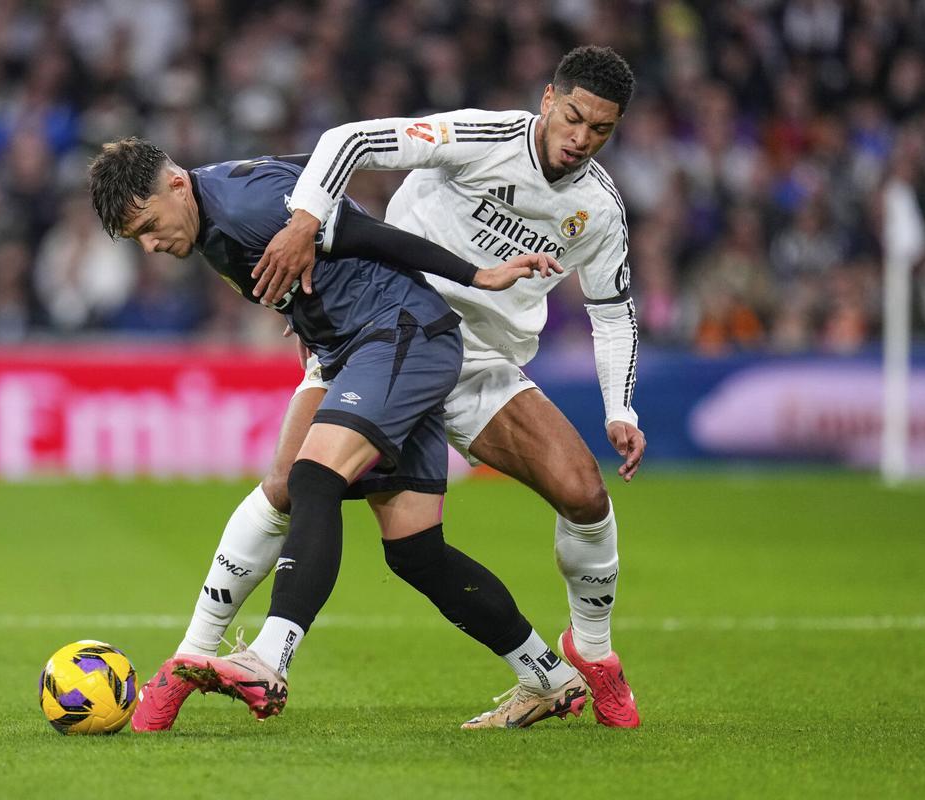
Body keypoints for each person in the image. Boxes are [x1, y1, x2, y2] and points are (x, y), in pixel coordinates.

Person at [137, 45, 646, 732]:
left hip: (475, 360)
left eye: (601, 131)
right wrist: (306, 225)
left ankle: (590, 653)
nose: (581, 140)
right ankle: (192, 658)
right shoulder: (478, 137)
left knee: (580, 492)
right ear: (549, 99)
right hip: (378, 322)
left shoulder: (600, 208)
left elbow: (612, 311)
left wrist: (620, 406)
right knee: (293, 484)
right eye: (575, 118)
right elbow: (349, 140)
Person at [88, 139, 584, 727]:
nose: (150, 245)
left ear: (174, 185)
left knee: (310, 478)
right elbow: (313, 167)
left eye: (147, 226)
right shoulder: (218, 201)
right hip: (359, 346)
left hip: (400, 335)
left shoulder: (247, 208)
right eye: (135, 239)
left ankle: (267, 659)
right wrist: (308, 314)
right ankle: (550, 676)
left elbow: (365, 233)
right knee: (415, 552)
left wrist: (477, 273)